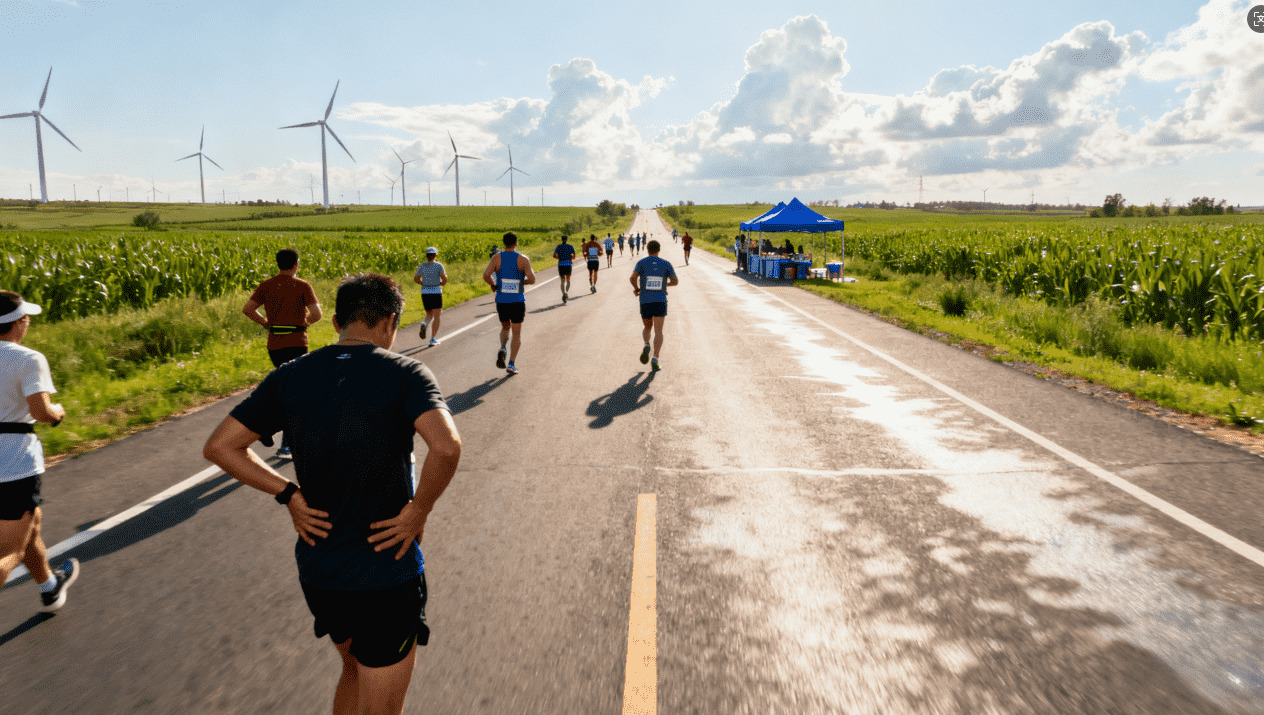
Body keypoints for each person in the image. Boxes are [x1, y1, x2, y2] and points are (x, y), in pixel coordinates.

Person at [204, 273, 461, 715]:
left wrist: (288, 494)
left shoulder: (291, 375)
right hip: (385, 572)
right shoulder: (405, 373)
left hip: (320, 569)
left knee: (353, 669)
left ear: (338, 320)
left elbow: (221, 446)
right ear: (389, 321)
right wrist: (419, 511)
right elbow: (446, 445)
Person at [0, 291, 79, 615]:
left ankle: (49, 587)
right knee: (11, 549)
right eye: (27, 319)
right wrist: (58, 412)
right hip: (14, 464)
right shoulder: (28, 358)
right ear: (18, 323)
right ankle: (48, 586)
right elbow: (41, 411)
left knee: (30, 524)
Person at [243, 248, 322, 459]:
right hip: (297, 343)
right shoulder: (303, 286)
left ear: (279, 264)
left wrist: (266, 323)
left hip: (275, 345)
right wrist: (303, 322)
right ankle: (284, 444)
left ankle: (269, 431)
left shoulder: (266, 285)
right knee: (294, 393)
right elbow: (317, 314)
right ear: (296, 263)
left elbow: (248, 309)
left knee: (287, 390)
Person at [483, 232, 536, 375]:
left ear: (504, 243)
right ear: (516, 243)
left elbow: (486, 275)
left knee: (505, 327)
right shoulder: (523, 259)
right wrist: (522, 281)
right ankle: (511, 364)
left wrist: (493, 285)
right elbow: (532, 279)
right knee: (517, 332)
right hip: (517, 300)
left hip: (502, 300)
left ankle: (502, 348)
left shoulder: (496, 258)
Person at [629, 240, 679, 372]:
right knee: (658, 331)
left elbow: (632, 278)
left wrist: (637, 289)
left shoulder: (641, 263)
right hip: (660, 300)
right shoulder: (666, 263)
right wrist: (664, 285)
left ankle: (646, 344)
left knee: (647, 327)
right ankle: (655, 358)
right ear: (659, 249)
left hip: (645, 300)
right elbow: (675, 281)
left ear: (647, 249)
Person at [413, 247, 447, 347]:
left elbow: (416, 279)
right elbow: (444, 279)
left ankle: (424, 323)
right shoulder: (439, 265)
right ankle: (432, 339)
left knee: (429, 314)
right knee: (437, 317)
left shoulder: (422, 266)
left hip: (425, 292)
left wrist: (423, 283)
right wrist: (441, 283)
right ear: (435, 255)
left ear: (427, 255)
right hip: (436, 292)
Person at [552, 235, 576, 304]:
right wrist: (571, 257)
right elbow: (574, 256)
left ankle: (564, 293)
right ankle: (566, 292)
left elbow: (554, 255)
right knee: (568, 280)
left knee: (562, 281)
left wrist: (559, 258)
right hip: (568, 264)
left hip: (561, 265)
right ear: (567, 239)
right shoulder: (570, 246)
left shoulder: (558, 247)